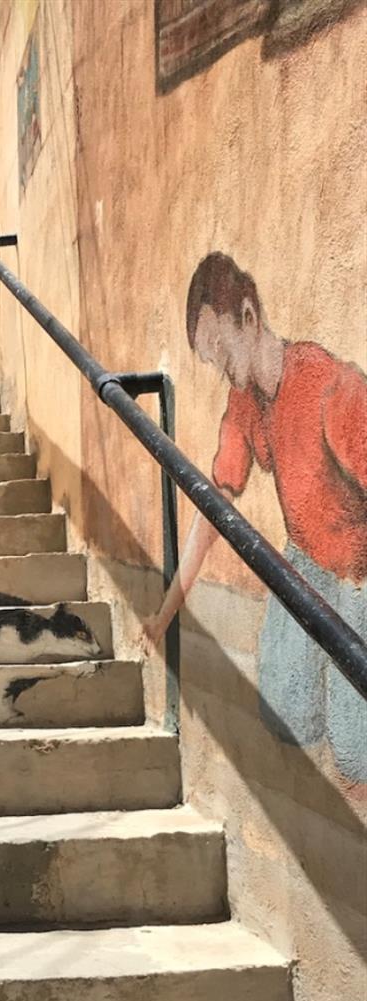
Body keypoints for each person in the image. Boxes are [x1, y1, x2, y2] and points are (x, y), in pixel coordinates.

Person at [143, 252, 366, 782]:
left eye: (219, 347)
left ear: (248, 317)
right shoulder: (243, 404)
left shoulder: (331, 385)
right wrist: (167, 610)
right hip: (305, 561)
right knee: (285, 714)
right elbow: (212, 509)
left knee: (355, 753)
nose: (218, 366)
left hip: (359, 568)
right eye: (207, 358)